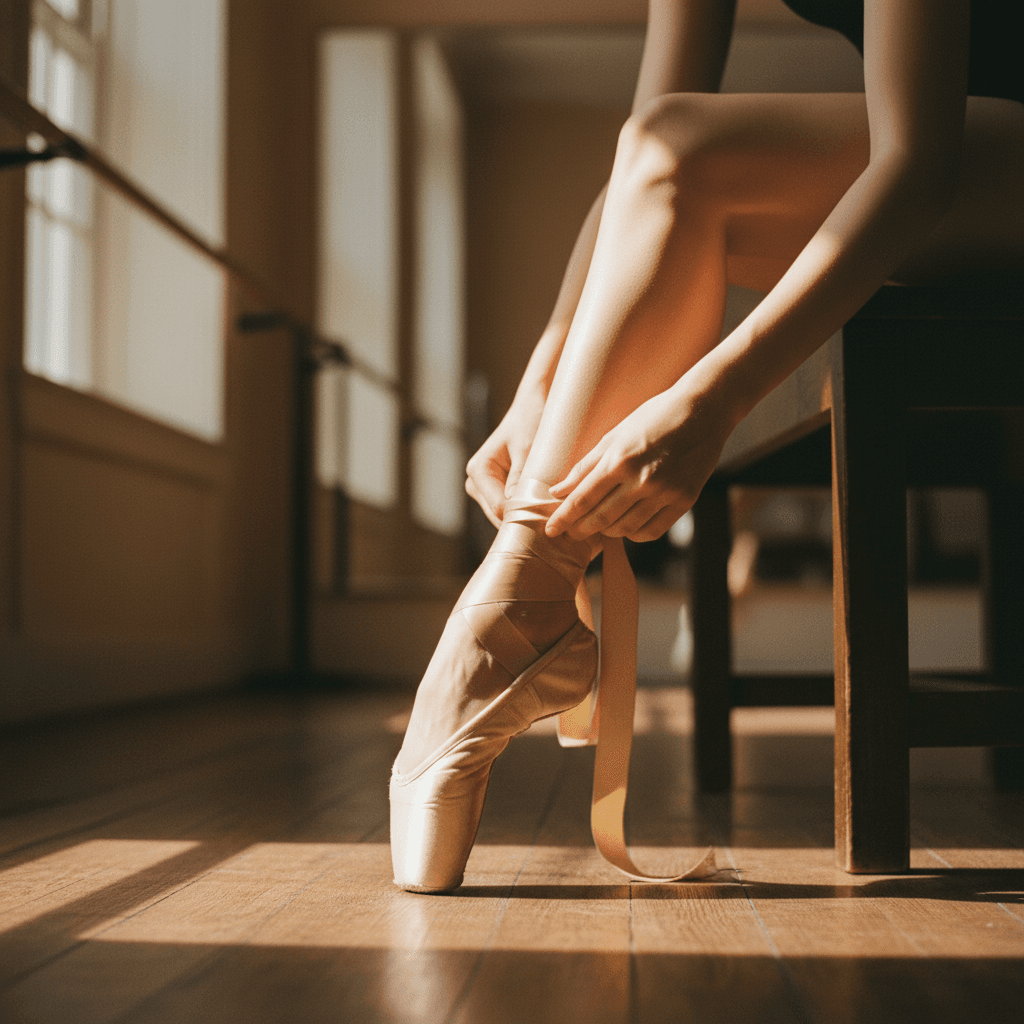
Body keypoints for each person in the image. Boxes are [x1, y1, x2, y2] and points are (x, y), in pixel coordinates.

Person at [390, 0, 1024, 892]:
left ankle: (508, 625)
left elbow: (915, 159)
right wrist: (542, 374)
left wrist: (713, 400)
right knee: (670, 148)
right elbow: (639, 164)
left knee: (693, 149)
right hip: (972, 152)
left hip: (964, 144)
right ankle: (514, 611)